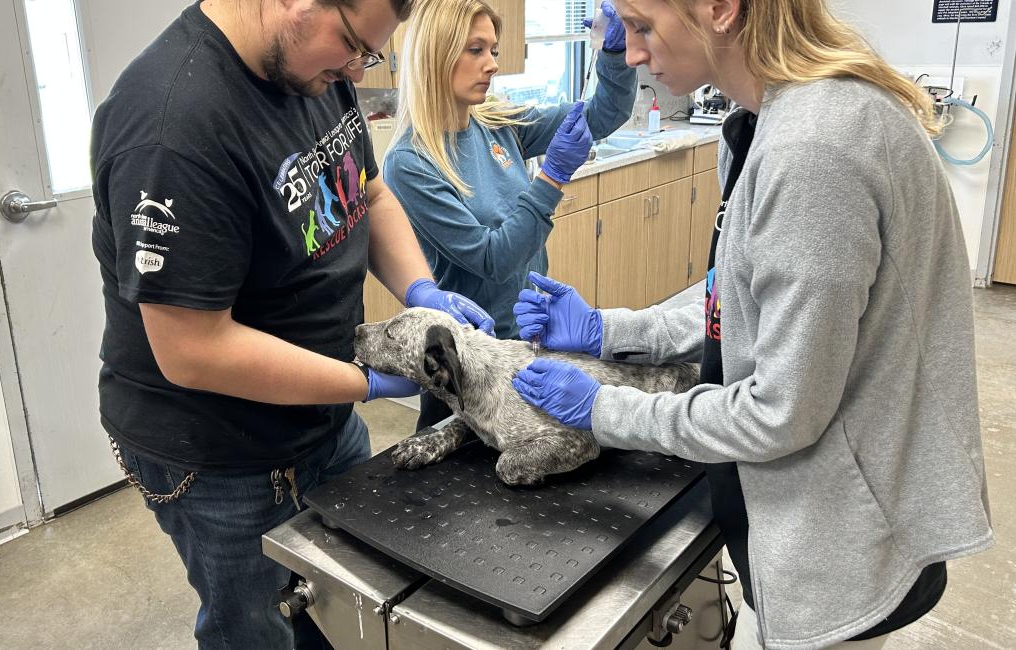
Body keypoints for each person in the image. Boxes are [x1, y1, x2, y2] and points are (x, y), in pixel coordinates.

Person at [508, 0, 994, 648]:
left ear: (719, 9)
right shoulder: (776, 118)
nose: (632, 54)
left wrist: (606, 410)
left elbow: (782, 413)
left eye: (644, 27)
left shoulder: (815, 151)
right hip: (812, 516)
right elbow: (739, 298)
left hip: (843, 545)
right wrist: (612, 331)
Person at [89, 0, 497, 647]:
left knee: (344, 608)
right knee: (259, 627)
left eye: (370, 54)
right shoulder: (175, 128)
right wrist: (364, 381)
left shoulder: (316, 71)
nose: (354, 70)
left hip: (322, 416)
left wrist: (422, 292)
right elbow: (193, 350)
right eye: (352, 46)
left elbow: (369, 191)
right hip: (220, 456)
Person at [382, 0, 638, 430]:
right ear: (436, 54)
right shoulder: (411, 163)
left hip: (531, 344)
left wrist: (614, 54)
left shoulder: (497, 123)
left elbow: (602, 114)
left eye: (494, 51)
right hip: (470, 364)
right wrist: (551, 178)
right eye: (476, 50)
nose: (492, 65)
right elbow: (493, 259)